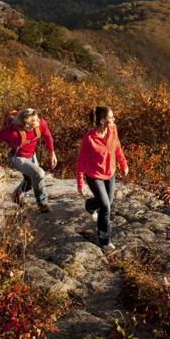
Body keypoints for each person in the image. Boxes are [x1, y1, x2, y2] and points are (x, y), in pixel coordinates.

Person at [76, 106, 129, 250]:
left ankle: (90, 205)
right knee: (106, 206)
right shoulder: (89, 138)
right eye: (111, 118)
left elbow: (117, 147)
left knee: (108, 202)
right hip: (94, 176)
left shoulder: (113, 129)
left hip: (110, 173)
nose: (114, 120)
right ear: (102, 121)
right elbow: (81, 161)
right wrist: (80, 183)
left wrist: (123, 165)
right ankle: (105, 240)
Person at [0, 108, 57, 213]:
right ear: (26, 124)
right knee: (39, 173)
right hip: (16, 158)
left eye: (37, 118)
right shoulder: (12, 132)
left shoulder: (40, 123)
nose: (38, 121)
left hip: (31, 156)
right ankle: (43, 205)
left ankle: (16, 195)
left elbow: (47, 135)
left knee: (31, 180)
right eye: (34, 121)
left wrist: (52, 153)